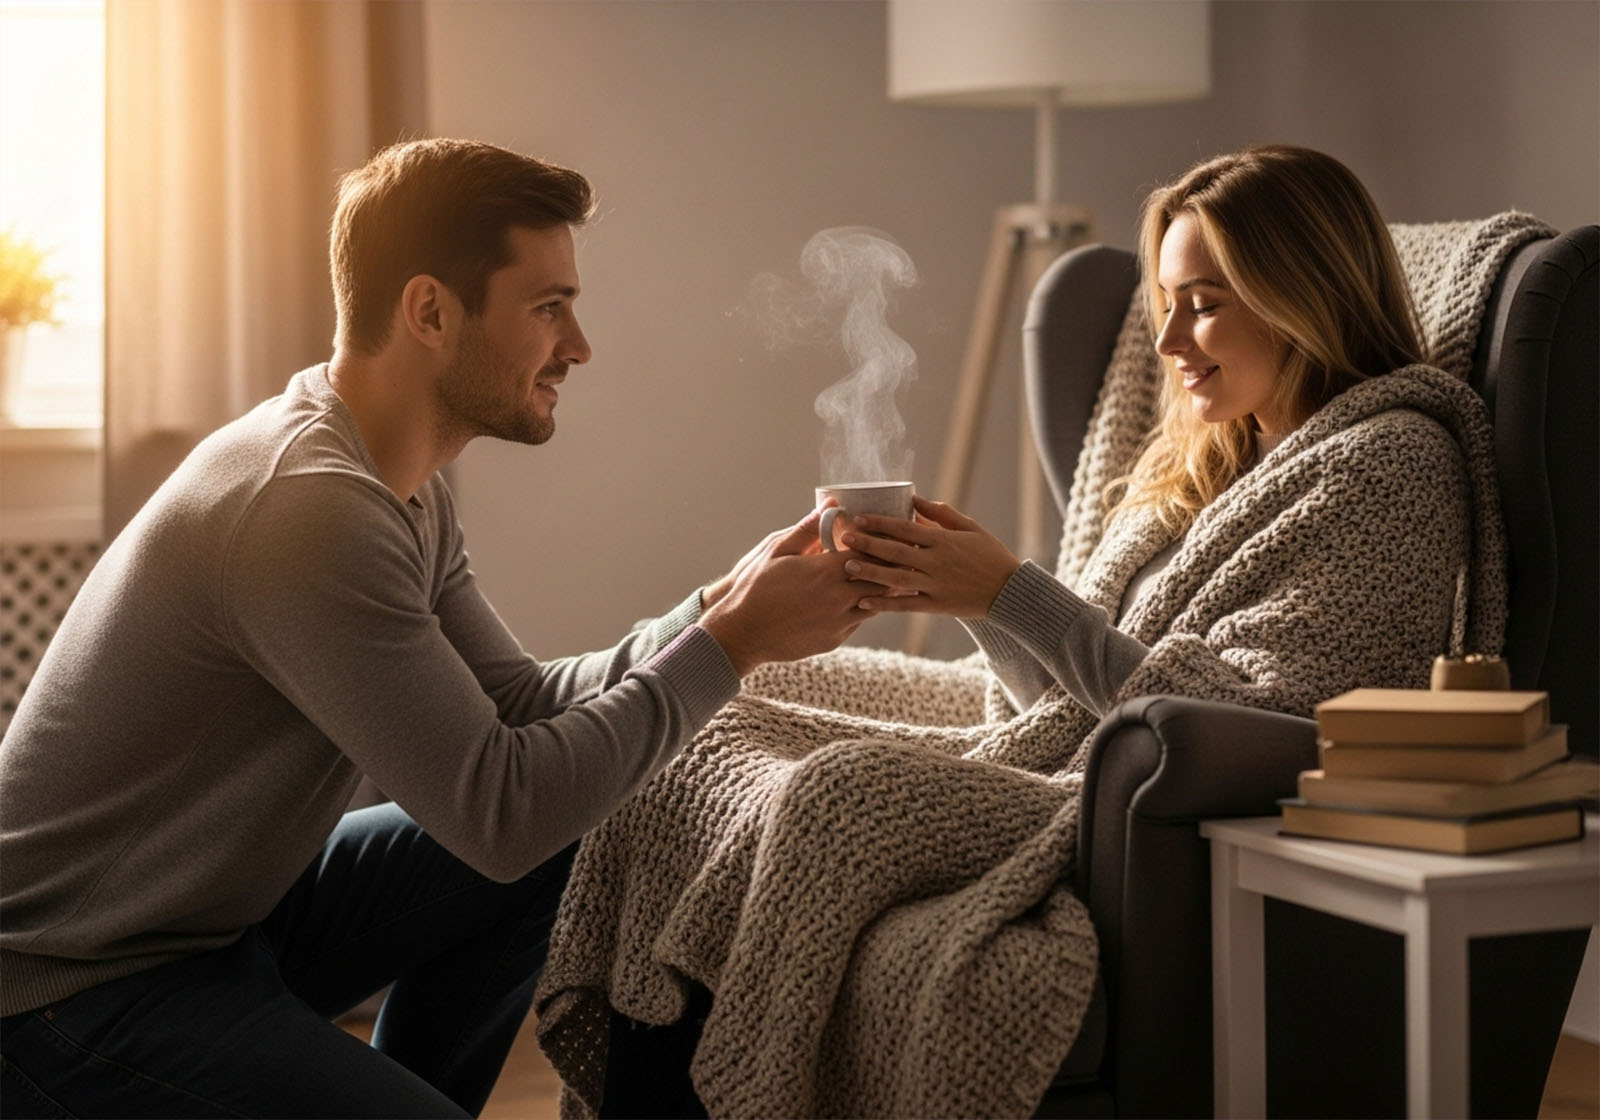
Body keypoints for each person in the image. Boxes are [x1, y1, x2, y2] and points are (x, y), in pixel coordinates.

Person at [530, 145, 1513, 1118]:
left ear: (1307, 292)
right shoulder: (1210, 458)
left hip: (1150, 808)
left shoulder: (1389, 466)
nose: (1169, 341)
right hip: (1081, 748)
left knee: (839, 794)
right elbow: (1056, 699)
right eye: (1166, 303)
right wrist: (974, 600)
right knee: (720, 708)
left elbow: (1230, 728)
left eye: (1204, 302)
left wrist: (1011, 593)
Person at [0, 138, 880, 1119]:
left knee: (580, 825)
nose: (578, 346)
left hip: (220, 919)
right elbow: (500, 811)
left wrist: (720, 606)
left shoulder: (389, 477)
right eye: (548, 307)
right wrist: (735, 647)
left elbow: (518, 706)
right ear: (430, 310)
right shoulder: (309, 508)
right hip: (70, 988)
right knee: (538, 820)